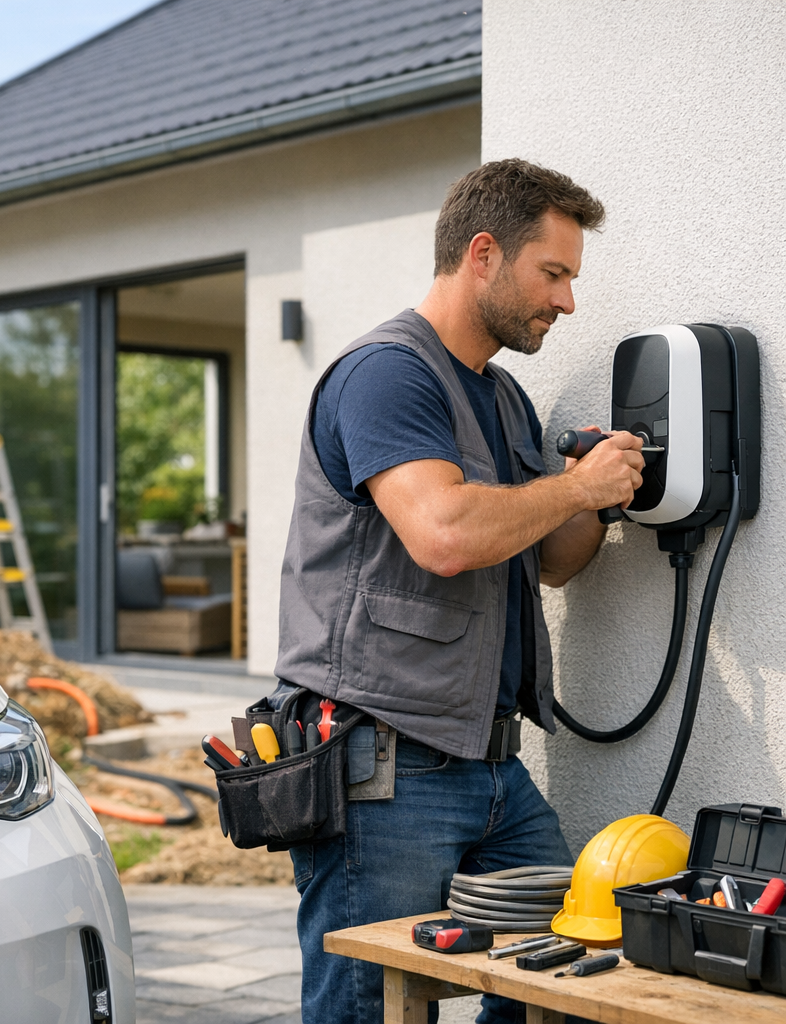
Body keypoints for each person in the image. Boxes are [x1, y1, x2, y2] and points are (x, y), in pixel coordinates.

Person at [274, 159, 645, 1024]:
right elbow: (443, 534)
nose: (567, 300)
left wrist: (609, 490)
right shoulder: (386, 374)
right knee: (368, 1006)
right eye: (553, 273)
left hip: (489, 765)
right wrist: (575, 488)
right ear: (483, 254)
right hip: (386, 764)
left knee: (565, 966)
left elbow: (549, 559)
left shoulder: (504, 398)